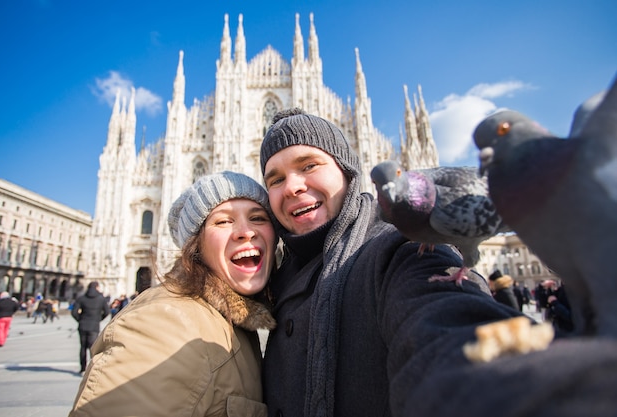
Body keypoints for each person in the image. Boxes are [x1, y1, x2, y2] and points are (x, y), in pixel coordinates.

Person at [259, 108, 617, 417]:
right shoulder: (273, 274)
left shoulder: (399, 244)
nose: (292, 186)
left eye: (309, 165)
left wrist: (524, 386)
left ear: (347, 171)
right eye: (275, 178)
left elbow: (444, 325)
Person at [69, 171, 277, 416]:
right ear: (194, 245)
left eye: (258, 218)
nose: (246, 231)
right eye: (223, 221)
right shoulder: (163, 322)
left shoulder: (236, 318)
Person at [71, 281, 110, 374]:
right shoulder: (101, 299)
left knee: (83, 347)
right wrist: (98, 319)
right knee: (93, 348)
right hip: (94, 326)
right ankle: (93, 367)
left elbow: (74, 312)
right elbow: (107, 311)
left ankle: (82, 368)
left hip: (82, 325)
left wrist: (80, 319)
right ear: (96, 287)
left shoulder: (81, 298)